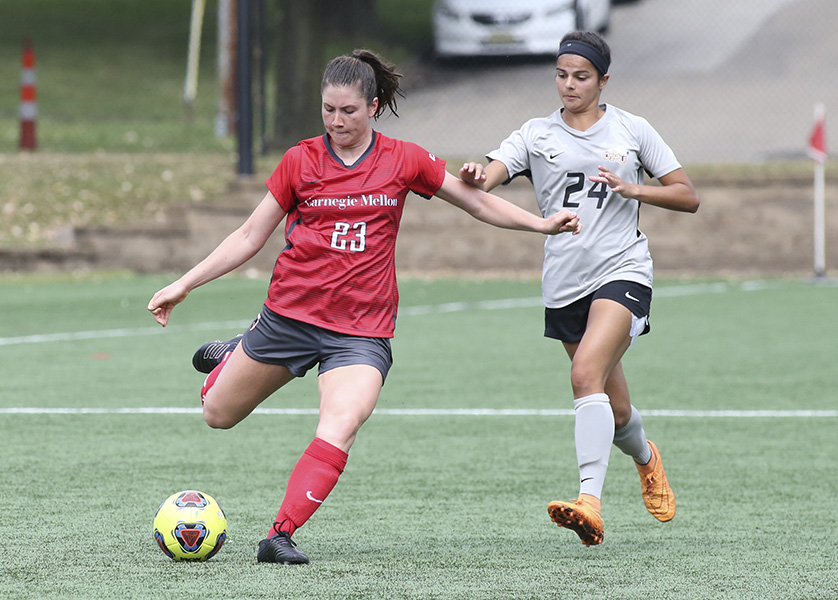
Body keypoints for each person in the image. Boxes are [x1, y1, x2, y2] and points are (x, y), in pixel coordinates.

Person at [147, 49, 580, 565]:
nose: (336, 121)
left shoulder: (404, 159)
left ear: (373, 107)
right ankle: (235, 353)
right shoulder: (299, 161)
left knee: (342, 422)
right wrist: (185, 284)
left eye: (348, 111)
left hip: (360, 331)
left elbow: (475, 200)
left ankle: (279, 535)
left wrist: (540, 224)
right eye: (327, 109)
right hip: (289, 318)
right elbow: (248, 235)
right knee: (217, 415)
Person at [459, 31, 699, 546]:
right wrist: (478, 173)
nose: (569, 85)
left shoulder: (633, 129)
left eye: (581, 76)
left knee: (584, 372)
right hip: (564, 282)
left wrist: (633, 188)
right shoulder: (535, 134)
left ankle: (589, 502)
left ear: (603, 80)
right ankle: (646, 457)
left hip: (623, 269)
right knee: (612, 410)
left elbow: (687, 195)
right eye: (562, 74)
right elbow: (490, 176)